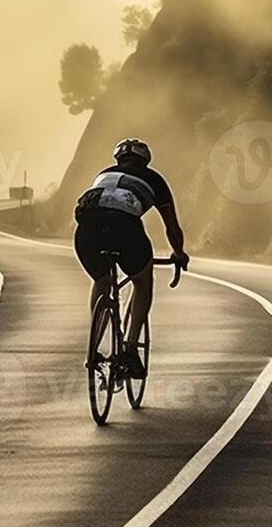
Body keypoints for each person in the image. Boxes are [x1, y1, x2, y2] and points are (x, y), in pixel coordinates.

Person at [72, 138, 189, 378]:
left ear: (118, 159)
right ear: (145, 161)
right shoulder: (155, 180)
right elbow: (172, 227)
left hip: (86, 229)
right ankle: (130, 349)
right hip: (124, 228)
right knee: (143, 281)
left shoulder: (104, 174)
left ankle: (93, 349)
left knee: (102, 282)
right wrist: (178, 252)